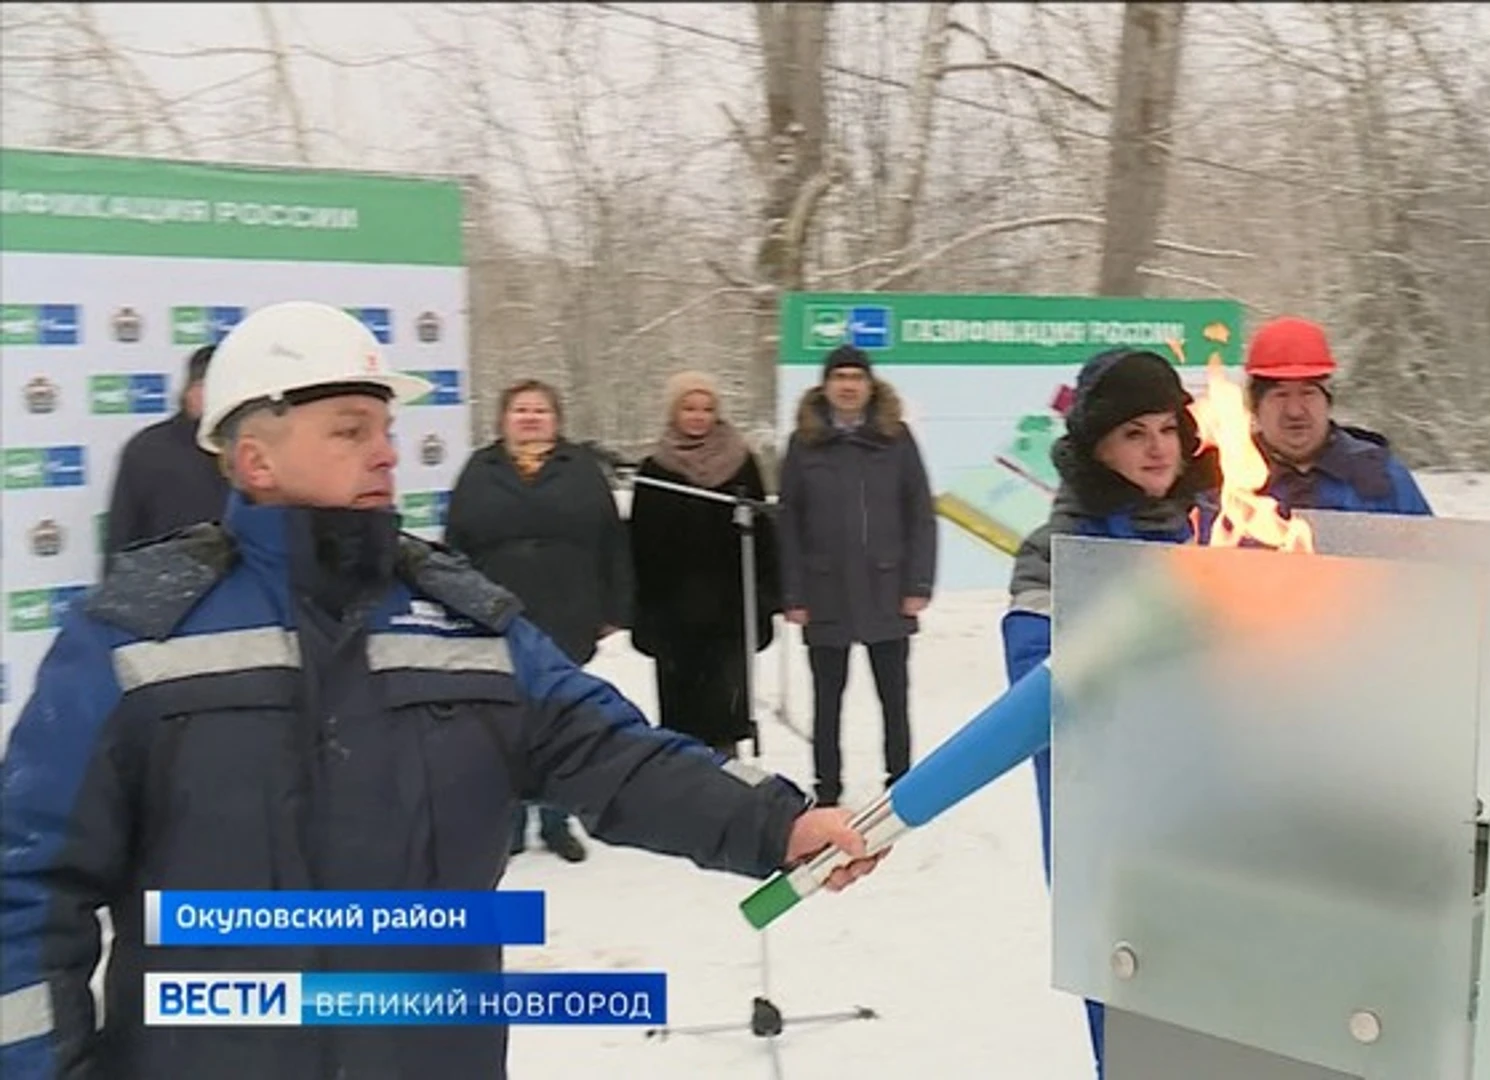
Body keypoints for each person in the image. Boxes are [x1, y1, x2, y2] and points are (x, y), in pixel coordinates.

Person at [0, 301, 881, 1080]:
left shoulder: (462, 620)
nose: (387, 453)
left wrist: (778, 822)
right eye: (350, 430)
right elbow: (31, 889)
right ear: (256, 458)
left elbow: (611, 754)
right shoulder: (134, 635)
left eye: (385, 429)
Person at [1002, 348, 1221, 1080]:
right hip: (1114, 845)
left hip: (1225, 833)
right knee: (1139, 1046)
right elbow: (1038, 686)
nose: (1159, 447)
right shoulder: (1053, 554)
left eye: (1167, 427)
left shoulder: (1222, 531)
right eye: (1134, 432)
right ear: (1095, 447)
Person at [444, 378, 630, 863]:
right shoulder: (479, 470)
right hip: (498, 614)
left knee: (559, 719)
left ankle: (555, 820)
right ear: (503, 419)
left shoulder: (581, 469)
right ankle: (508, 823)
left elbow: (612, 542)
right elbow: (456, 546)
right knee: (501, 722)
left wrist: (613, 609)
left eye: (540, 411)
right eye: (521, 409)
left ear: (557, 421)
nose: (530, 418)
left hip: (569, 610)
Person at [777, 344, 937, 808]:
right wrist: (793, 592)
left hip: (887, 589)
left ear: (870, 385)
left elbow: (920, 514)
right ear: (825, 386)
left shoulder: (896, 438)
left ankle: (903, 786)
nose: (848, 385)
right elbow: (788, 521)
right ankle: (827, 789)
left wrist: (918, 584)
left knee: (894, 696)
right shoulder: (803, 444)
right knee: (827, 700)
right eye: (839, 377)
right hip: (825, 591)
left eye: (856, 377)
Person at [627, 370, 779, 757]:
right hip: (674, 617)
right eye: (689, 407)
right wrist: (642, 611)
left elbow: (764, 537)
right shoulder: (655, 469)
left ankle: (731, 791)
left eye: (707, 408)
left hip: (728, 615)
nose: (698, 416)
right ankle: (688, 795)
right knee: (682, 720)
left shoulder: (741, 463)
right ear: (674, 412)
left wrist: (765, 598)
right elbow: (640, 545)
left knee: (726, 715)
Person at [1239, 316, 1433, 516]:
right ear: (1255, 407)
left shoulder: (1382, 478)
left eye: (1308, 393)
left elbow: (1427, 546)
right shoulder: (1225, 482)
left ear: (1328, 401)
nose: (1294, 411)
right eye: (1280, 395)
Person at [101, 343, 230, 567]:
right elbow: (121, 540)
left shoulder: (254, 450)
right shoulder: (147, 450)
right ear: (192, 390)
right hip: (168, 591)